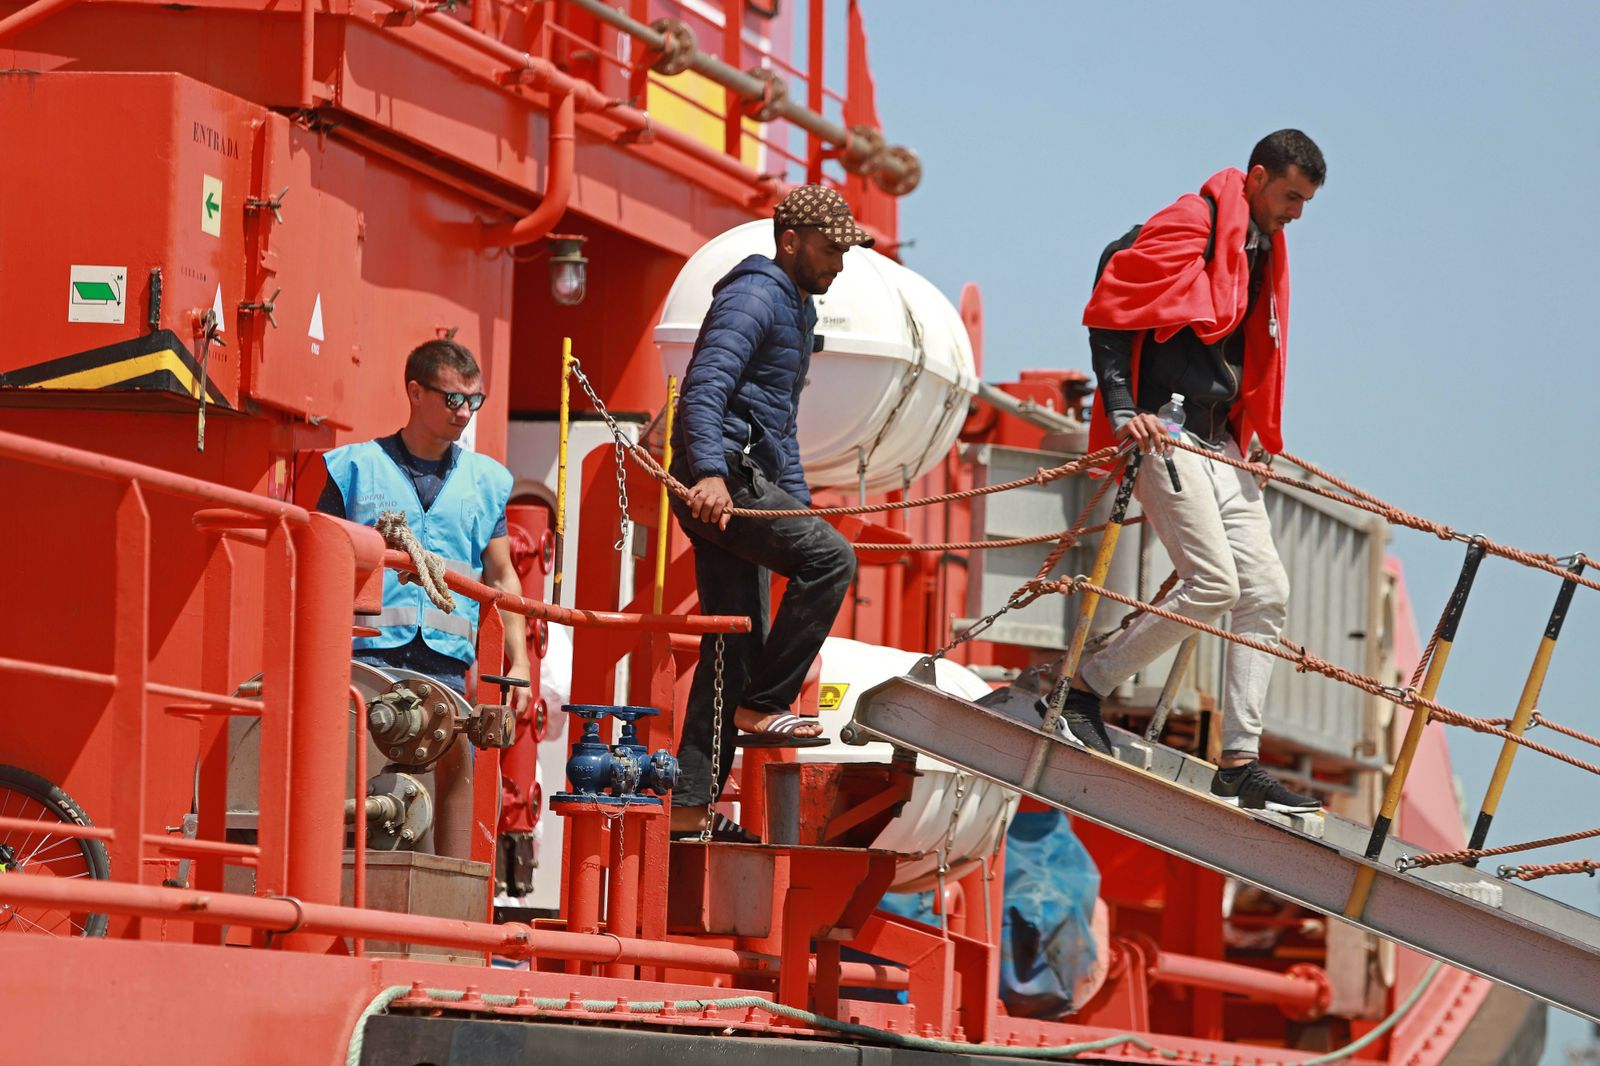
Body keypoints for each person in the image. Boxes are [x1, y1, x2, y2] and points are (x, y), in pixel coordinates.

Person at [1060, 129, 1326, 815]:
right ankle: (1084, 687)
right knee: (1211, 586)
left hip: (1222, 442)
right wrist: (1122, 409)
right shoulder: (1190, 225)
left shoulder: (1263, 247)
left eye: (1305, 202)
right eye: (1292, 196)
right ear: (1260, 176)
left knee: (1265, 590)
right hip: (1166, 433)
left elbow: (1245, 349)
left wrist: (1255, 433)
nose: (1297, 212)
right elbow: (1113, 304)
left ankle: (1239, 762)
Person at [667, 184, 870, 840]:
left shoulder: (797, 307)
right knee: (831, 560)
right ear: (790, 241)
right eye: (830, 247)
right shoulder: (758, 295)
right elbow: (705, 387)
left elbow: (780, 427)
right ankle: (767, 705)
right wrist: (707, 473)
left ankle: (690, 810)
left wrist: (799, 504)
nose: (839, 261)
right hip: (723, 482)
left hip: (741, 478)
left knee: (733, 641)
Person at [317, 338, 531, 717]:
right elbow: (319, 567)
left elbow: (501, 576)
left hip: (447, 671)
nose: (465, 412)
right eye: (453, 399)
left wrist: (521, 662)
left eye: (474, 401)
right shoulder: (353, 469)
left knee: (447, 775)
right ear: (416, 392)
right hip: (367, 662)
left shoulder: (487, 482)